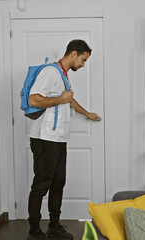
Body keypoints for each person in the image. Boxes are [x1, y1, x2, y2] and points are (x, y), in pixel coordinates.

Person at [26, 39, 101, 240]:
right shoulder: (50, 72)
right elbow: (33, 99)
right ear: (74, 54)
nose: (83, 65)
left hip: (58, 138)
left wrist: (87, 113)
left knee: (58, 183)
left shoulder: (63, 75)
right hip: (44, 138)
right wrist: (61, 99)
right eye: (83, 60)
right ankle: (34, 231)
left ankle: (54, 226)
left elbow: (69, 100)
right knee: (41, 185)